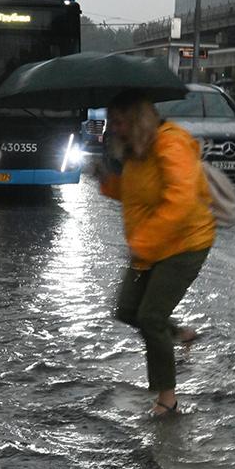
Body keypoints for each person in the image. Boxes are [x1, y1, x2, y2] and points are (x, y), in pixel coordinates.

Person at [97, 90, 216, 416]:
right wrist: (110, 185)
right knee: (126, 308)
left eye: (119, 122)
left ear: (137, 119)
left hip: (185, 243)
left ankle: (167, 398)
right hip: (152, 245)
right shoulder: (139, 151)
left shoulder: (170, 144)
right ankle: (178, 333)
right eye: (112, 122)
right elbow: (140, 195)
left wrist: (144, 242)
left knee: (150, 316)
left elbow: (181, 200)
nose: (114, 129)